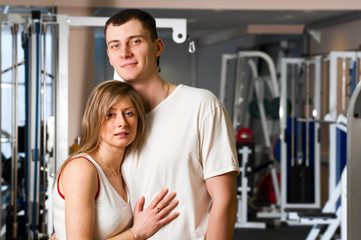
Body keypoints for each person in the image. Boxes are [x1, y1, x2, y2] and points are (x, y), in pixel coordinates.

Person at [105, 9, 239, 239]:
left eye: (134, 41)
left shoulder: (201, 105)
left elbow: (224, 200)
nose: (125, 53)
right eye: (115, 45)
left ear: (158, 47)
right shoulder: (111, 121)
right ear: (109, 54)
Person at [52, 80, 179, 239]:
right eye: (110, 115)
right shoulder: (82, 169)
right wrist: (136, 232)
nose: (122, 123)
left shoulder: (125, 168)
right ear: (94, 119)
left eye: (129, 113)